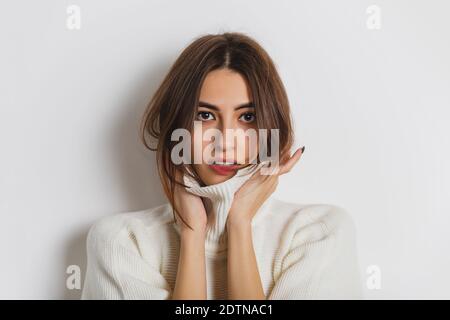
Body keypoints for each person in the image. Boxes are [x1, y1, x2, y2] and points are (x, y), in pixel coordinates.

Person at [81, 32, 363, 300]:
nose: (225, 141)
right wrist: (192, 234)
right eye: (204, 115)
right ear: (176, 128)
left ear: (271, 128)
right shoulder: (123, 243)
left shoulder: (319, 234)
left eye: (248, 116)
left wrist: (239, 223)